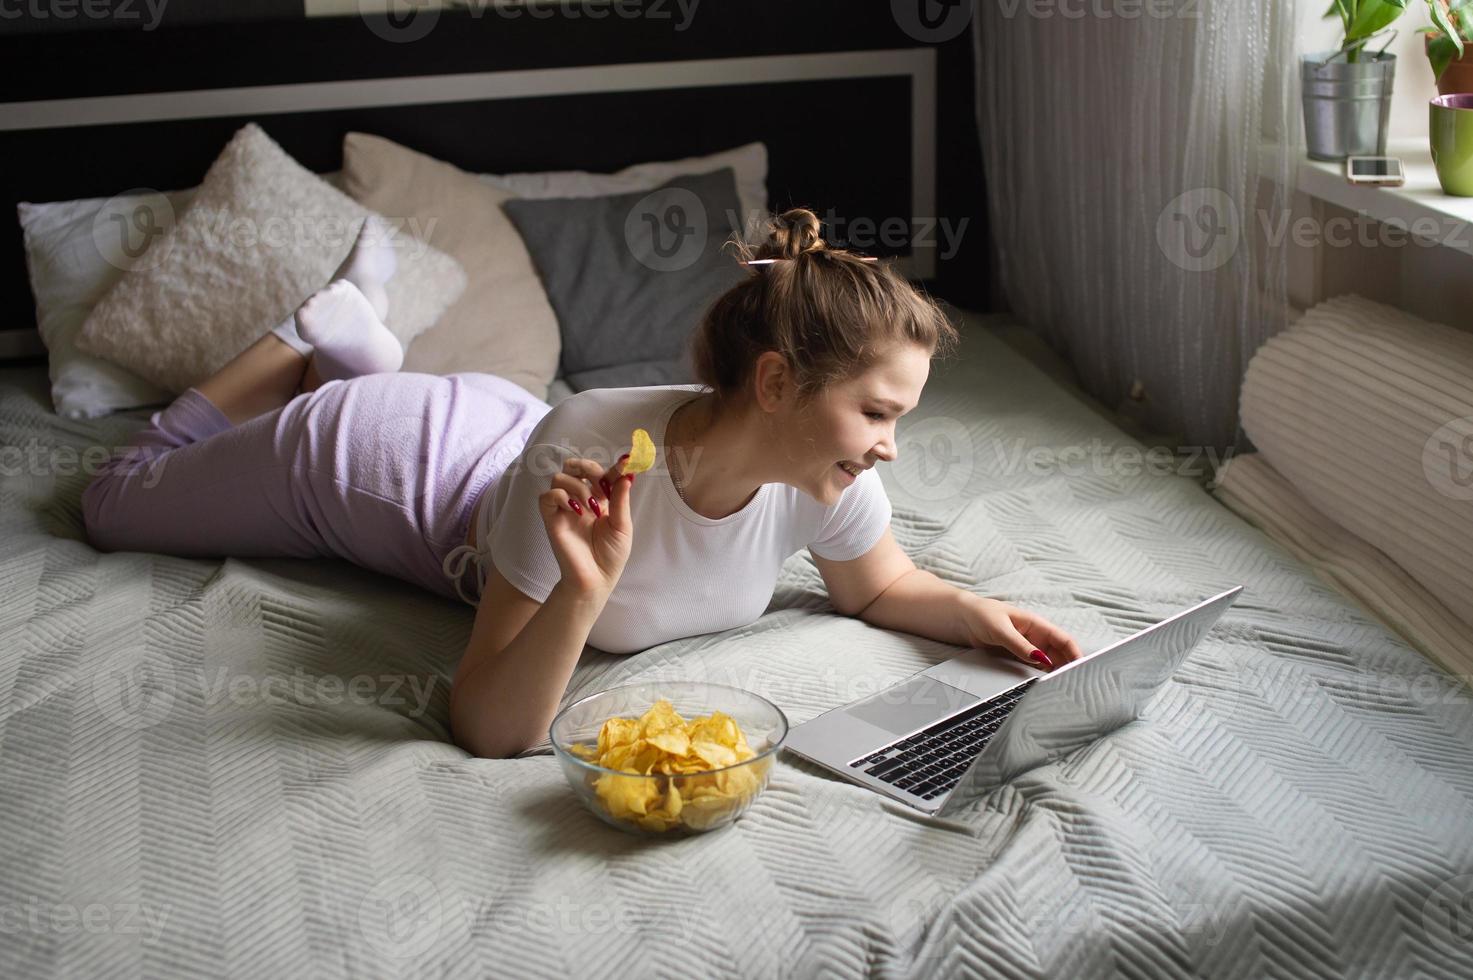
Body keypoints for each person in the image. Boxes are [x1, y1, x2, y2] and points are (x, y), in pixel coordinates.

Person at [81, 208, 1083, 761]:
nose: (889, 446)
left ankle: (352, 343)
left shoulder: (823, 475)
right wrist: (582, 593)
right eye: (877, 412)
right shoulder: (588, 452)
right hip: (375, 460)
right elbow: (489, 722)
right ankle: (305, 341)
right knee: (115, 500)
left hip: (501, 439)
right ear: (777, 383)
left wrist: (975, 612)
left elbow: (875, 587)